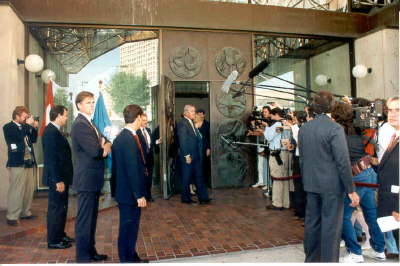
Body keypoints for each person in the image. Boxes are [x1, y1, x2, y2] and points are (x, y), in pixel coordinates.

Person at [298, 91, 359, 262]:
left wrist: (306, 181)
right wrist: (351, 190)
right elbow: (342, 162)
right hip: (331, 187)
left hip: (311, 185)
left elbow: (302, 160)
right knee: (331, 228)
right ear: (331, 106)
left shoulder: (304, 129)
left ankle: (311, 260)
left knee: (312, 225)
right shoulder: (335, 128)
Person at [331, 102, 385, 263]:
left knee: (343, 216)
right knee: (371, 213)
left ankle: (355, 252)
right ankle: (379, 249)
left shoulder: (338, 134)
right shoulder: (358, 130)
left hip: (354, 177)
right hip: (368, 173)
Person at [71, 91, 111, 262]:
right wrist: (104, 148)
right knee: (85, 220)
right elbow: (95, 151)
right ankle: (83, 257)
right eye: (88, 102)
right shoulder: (80, 124)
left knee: (92, 219)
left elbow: (106, 140)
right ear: (79, 105)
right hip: (86, 179)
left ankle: (91, 251)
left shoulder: (90, 122)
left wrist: (105, 145)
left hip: (93, 179)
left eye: (93, 102)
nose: (92, 105)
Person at [111, 105, 148, 263]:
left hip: (126, 192)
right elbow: (131, 170)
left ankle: (132, 256)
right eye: (142, 118)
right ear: (138, 117)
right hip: (129, 194)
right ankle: (126, 259)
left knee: (131, 228)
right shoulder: (127, 139)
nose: (142, 121)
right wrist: (138, 195)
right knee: (127, 228)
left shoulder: (126, 136)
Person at [42, 105, 74, 249]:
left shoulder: (56, 131)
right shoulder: (50, 132)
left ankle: (60, 234)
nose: (66, 118)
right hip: (57, 179)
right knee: (56, 209)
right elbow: (51, 159)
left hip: (62, 177)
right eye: (65, 115)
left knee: (62, 207)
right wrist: (57, 180)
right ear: (58, 116)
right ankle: (54, 240)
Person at [3, 106, 38, 226]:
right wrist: (28, 125)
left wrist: (34, 127)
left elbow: (33, 139)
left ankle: (25, 212)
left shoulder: (25, 127)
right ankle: (12, 216)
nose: (26, 119)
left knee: (29, 188)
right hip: (17, 162)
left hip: (29, 161)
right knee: (16, 190)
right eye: (24, 116)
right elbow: (18, 137)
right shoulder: (8, 127)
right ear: (17, 116)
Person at [376, 96, 400, 257]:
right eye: (390, 110)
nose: (392, 114)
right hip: (390, 200)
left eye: (397, 110)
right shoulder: (394, 136)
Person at [176, 104, 210, 204]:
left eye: (194, 111)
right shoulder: (182, 123)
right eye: (192, 111)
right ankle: (185, 198)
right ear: (186, 112)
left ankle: (203, 198)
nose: (194, 113)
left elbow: (196, 138)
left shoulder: (191, 122)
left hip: (196, 156)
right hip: (189, 156)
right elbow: (183, 141)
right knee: (186, 178)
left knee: (199, 177)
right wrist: (186, 155)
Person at [264, 108, 292, 210]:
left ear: (276, 114)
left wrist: (266, 127)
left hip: (277, 154)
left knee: (277, 178)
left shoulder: (277, 125)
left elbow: (269, 137)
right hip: (285, 153)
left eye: (271, 115)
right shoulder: (286, 123)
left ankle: (277, 203)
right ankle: (285, 202)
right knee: (284, 178)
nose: (270, 118)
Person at [136, 113, 154, 202]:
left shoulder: (148, 130)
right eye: (143, 120)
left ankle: (149, 196)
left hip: (150, 158)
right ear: (139, 121)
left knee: (149, 178)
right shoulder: (136, 132)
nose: (145, 122)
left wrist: (156, 142)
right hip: (141, 159)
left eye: (146, 120)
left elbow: (150, 143)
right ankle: (142, 196)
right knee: (142, 178)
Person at [194, 108, 211, 188]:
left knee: (205, 164)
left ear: (204, 115)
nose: (200, 115)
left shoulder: (207, 124)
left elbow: (208, 137)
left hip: (204, 147)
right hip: (196, 147)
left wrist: (208, 148)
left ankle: (205, 182)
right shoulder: (193, 124)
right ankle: (196, 183)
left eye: (202, 114)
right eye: (198, 114)